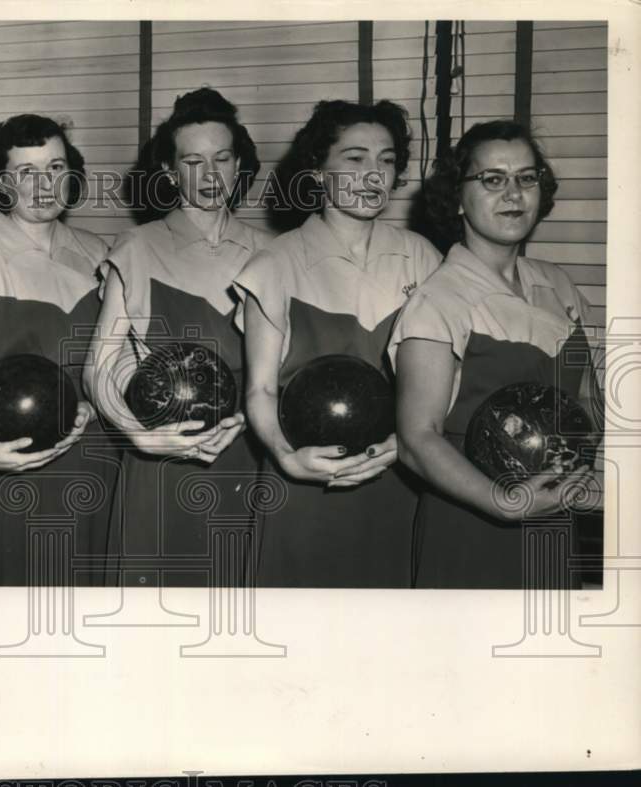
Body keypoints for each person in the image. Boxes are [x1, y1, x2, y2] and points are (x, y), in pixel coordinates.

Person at [234, 100, 442, 588]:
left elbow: (447, 379)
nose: (374, 175)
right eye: (355, 158)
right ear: (317, 170)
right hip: (303, 483)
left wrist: (408, 442)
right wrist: (287, 456)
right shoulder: (275, 262)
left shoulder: (425, 259)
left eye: (387, 160)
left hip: (399, 479)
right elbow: (261, 389)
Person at [389, 120, 600, 589]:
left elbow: (586, 403)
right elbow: (416, 440)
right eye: (492, 179)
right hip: (470, 527)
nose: (514, 193)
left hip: (553, 520)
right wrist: (504, 503)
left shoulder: (559, 285)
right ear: (457, 197)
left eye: (527, 178)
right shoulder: (438, 301)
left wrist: (585, 474)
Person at [84, 88, 273, 589]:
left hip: (251, 458)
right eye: (193, 161)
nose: (210, 176)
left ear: (239, 165)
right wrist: (139, 434)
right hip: (164, 454)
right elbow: (101, 366)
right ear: (170, 173)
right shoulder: (138, 246)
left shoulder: (273, 252)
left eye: (223, 158)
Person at [0, 114, 114, 586]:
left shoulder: (101, 254)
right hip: (14, 463)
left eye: (54, 168)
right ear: (2, 183)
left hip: (95, 457)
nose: (43, 185)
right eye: (26, 173)